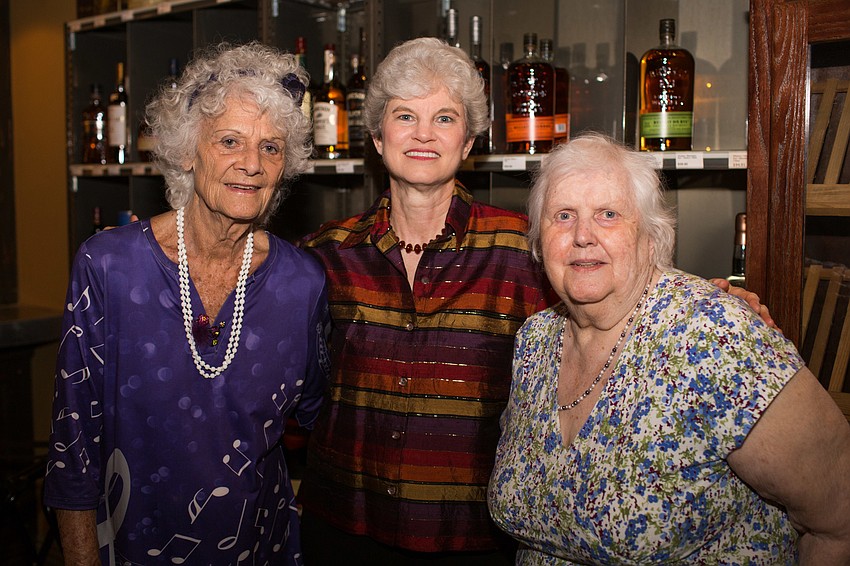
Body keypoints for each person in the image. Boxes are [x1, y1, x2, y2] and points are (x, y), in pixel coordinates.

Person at [296, 38, 773, 564]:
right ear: (378, 138)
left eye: (446, 118)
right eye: (405, 115)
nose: (424, 134)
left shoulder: (525, 247)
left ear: (470, 140)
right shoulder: (325, 254)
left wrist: (717, 304)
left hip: (469, 541)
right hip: (341, 531)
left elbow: (619, 292)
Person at [487, 133, 850, 564]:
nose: (582, 235)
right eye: (563, 215)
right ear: (538, 242)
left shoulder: (713, 336)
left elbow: (839, 517)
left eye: (608, 214)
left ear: (651, 238)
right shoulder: (535, 341)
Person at [43, 42, 330, 565]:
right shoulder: (109, 266)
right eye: (229, 140)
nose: (251, 164)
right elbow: (73, 449)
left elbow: (318, 423)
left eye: (271, 147)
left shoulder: (302, 282)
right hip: (130, 547)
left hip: (259, 549)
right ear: (185, 151)